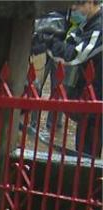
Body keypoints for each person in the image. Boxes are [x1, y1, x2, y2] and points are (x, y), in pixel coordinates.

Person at [45, 0, 102, 157]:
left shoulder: (99, 27)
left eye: (77, 4)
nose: (74, 8)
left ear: (90, 2)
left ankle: (87, 180)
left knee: (87, 154)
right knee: (83, 149)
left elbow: (74, 54)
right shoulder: (89, 23)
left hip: (96, 98)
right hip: (88, 96)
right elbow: (69, 42)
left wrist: (47, 41)